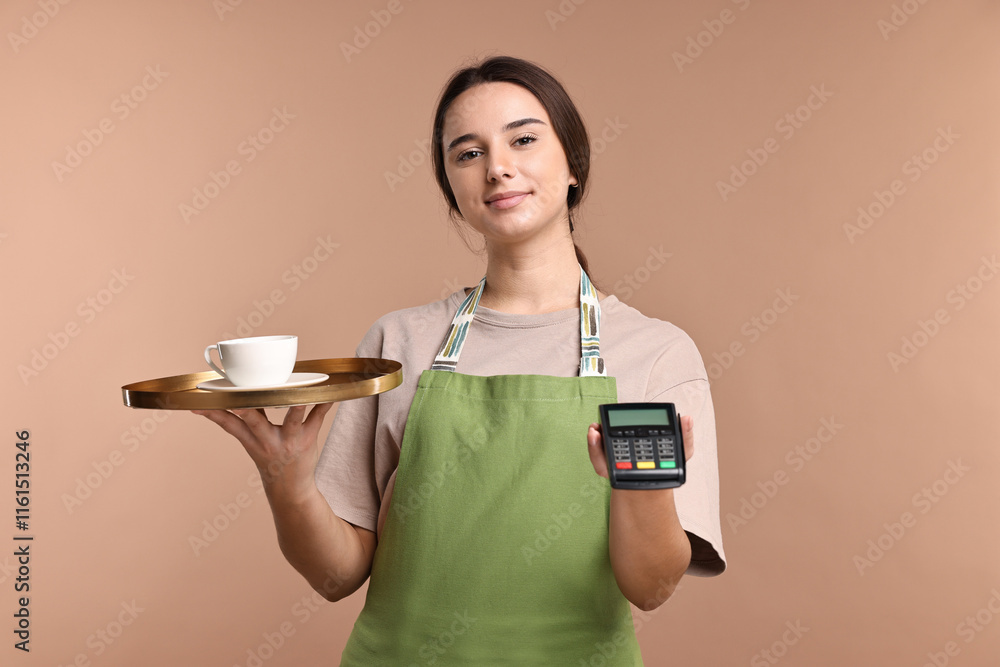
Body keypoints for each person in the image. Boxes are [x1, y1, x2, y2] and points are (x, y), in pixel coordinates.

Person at [194, 55, 726, 665]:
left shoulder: (655, 353)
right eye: (467, 154)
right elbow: (336, 575)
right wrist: (286, 483)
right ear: (452, 188)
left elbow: (650, 587)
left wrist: (642, 489)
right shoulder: (398, 344)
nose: (498, 169)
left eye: (523, 139)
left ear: (573, 165)